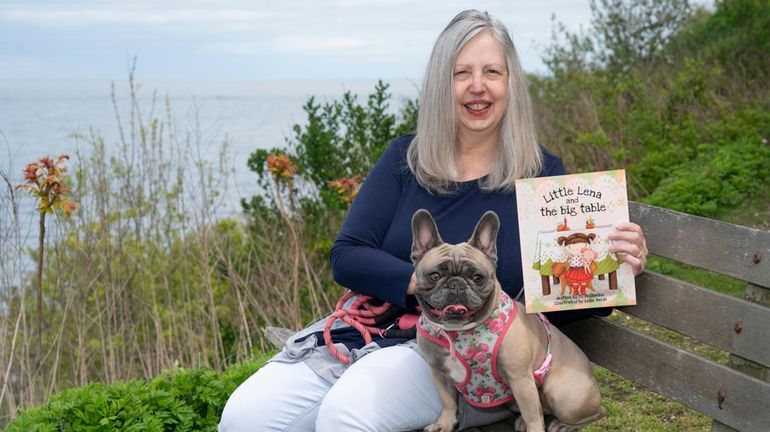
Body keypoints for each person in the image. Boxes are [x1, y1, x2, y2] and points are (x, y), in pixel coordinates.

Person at [219, 9, 648, 432]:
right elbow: (345, 256)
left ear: (511, 83)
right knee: (245, 416)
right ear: (442, 83)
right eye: (462, 72)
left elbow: (566, 303)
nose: (477, 87)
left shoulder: (542, 177)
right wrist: (429, 284)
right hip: (370, 332)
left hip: (472, 359)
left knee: (345, 415)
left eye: (492, 72)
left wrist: (616, 264)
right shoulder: (405, 160)